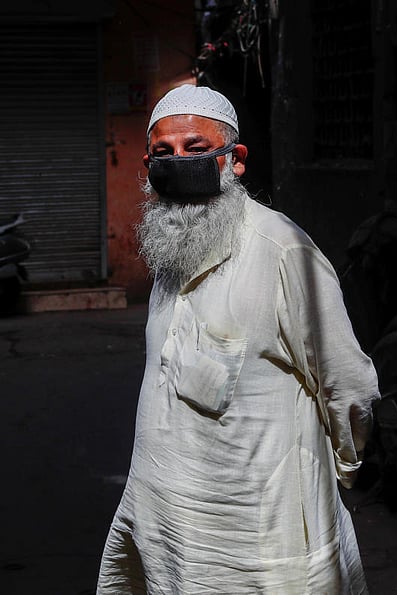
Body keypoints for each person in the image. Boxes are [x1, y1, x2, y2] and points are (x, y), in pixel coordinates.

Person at [97, 84, 379, 594]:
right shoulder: (170, 246)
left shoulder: (284, 251)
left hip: (257, 534)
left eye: (196, 149)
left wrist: (340, 467)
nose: (177, 162)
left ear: (236, 160)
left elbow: (349, 383)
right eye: (163, 153)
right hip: (166, 523)